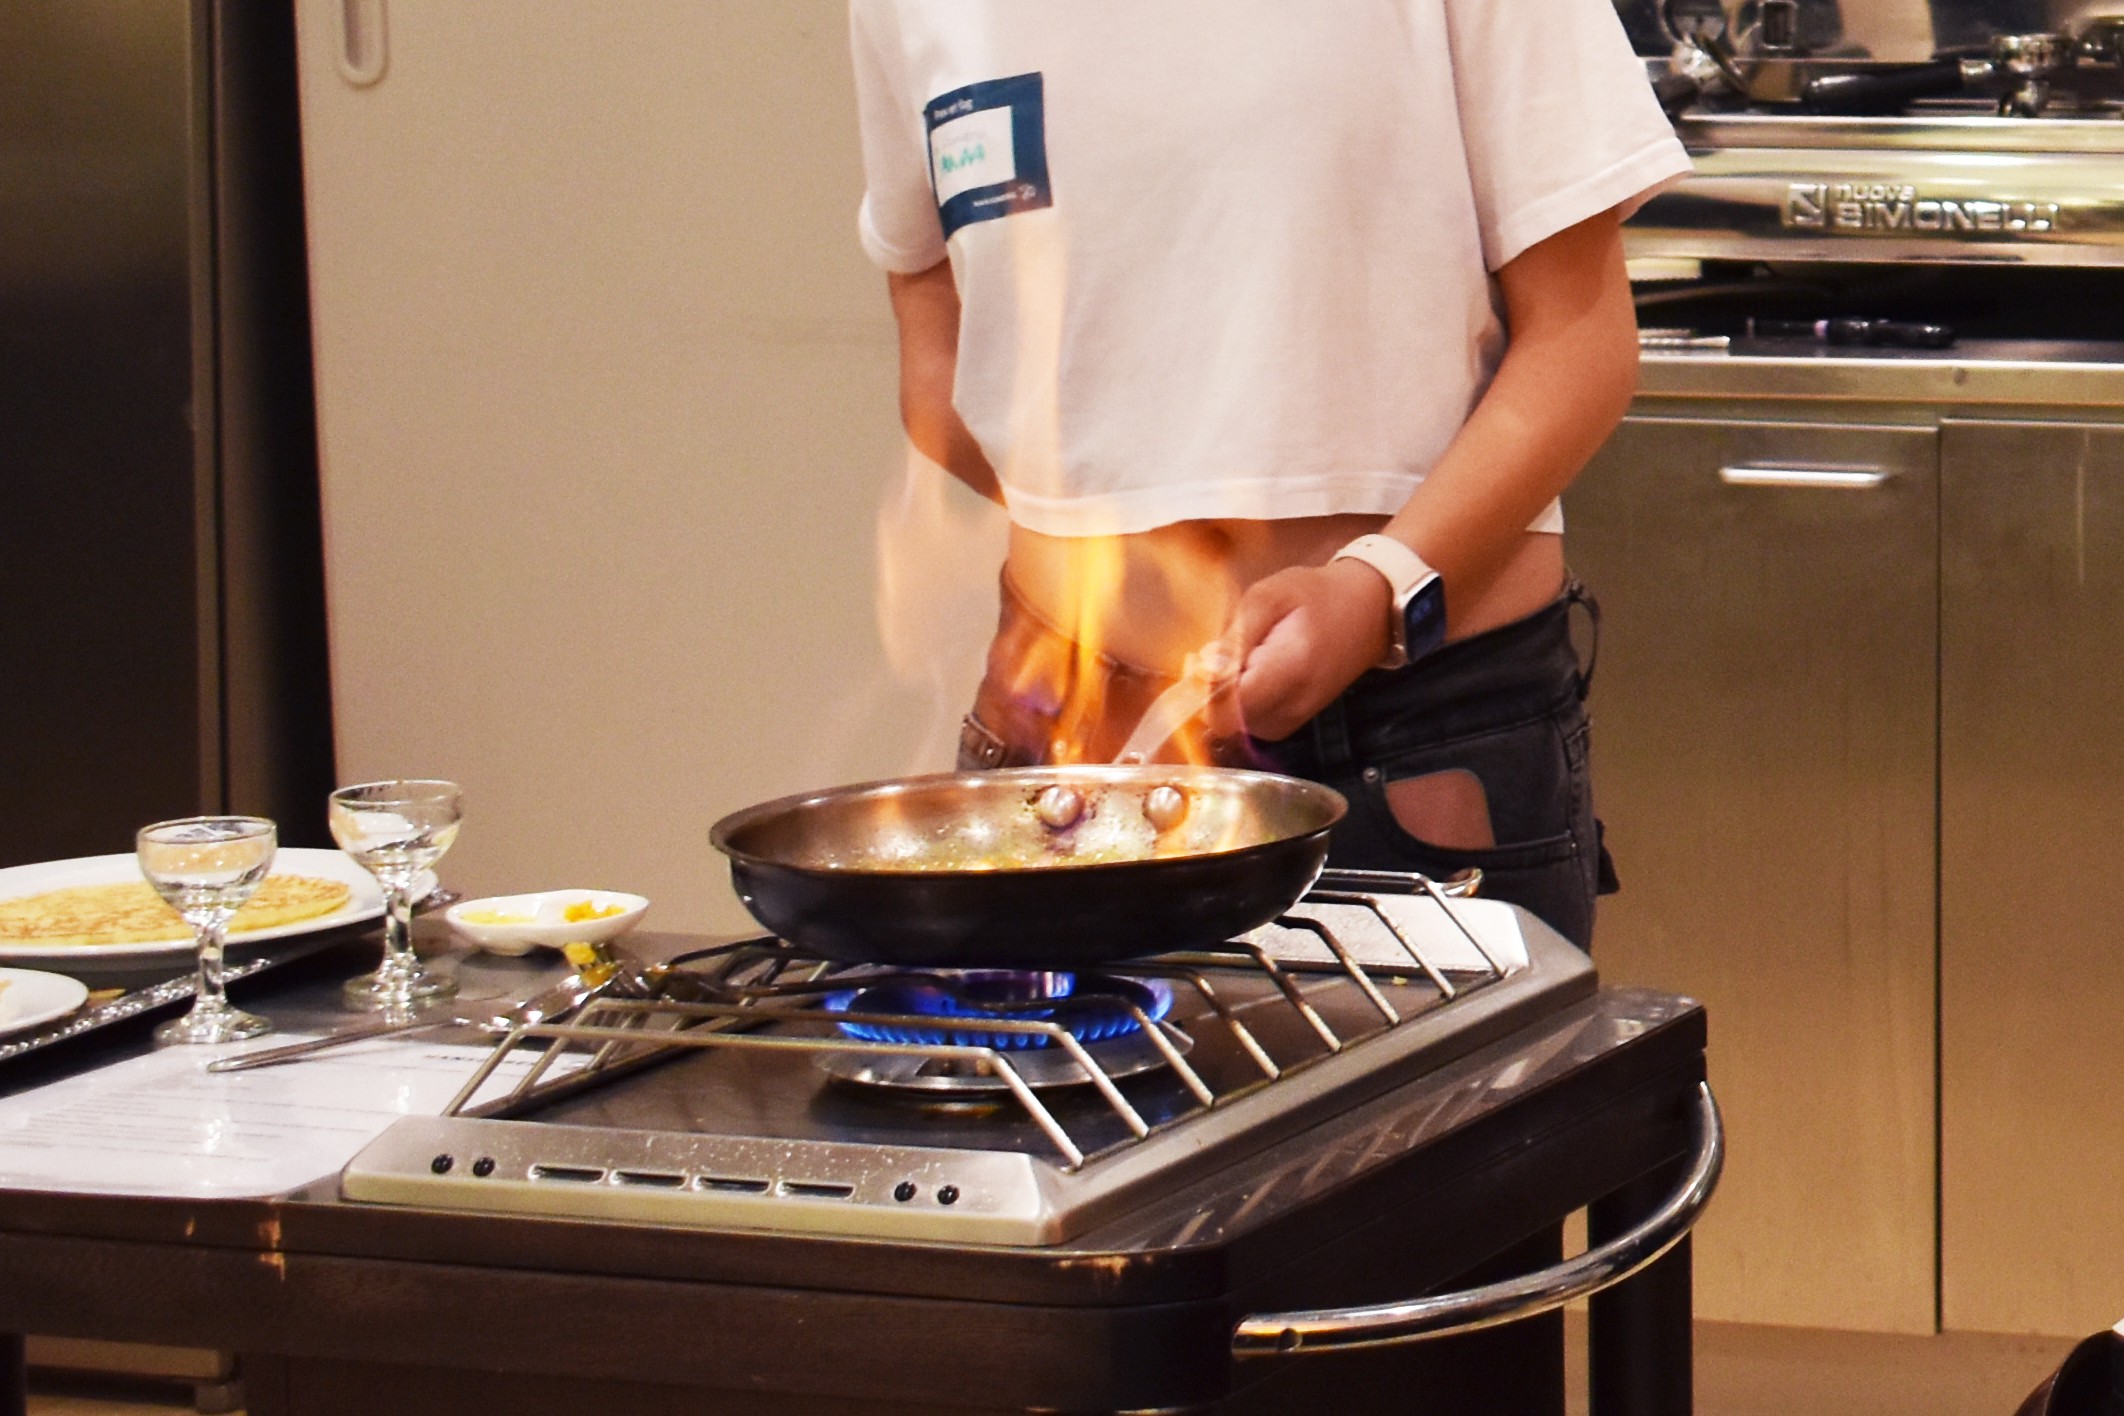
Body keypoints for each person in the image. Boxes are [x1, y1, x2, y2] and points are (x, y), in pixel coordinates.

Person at [848, 0, 1691, 950]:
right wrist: (1128, 548)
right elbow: (935, 358)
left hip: (1405, 736)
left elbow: (1580, 344)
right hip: (1060, 742)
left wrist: (1378, 590)